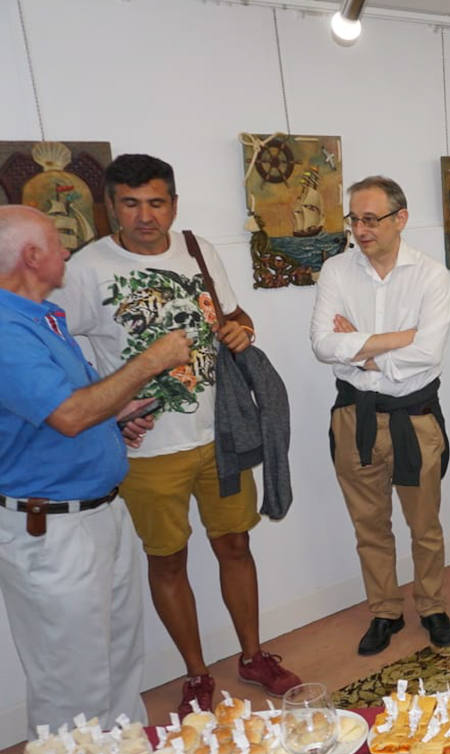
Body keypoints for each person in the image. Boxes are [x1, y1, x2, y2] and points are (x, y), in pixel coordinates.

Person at [57, 154, 300, 715]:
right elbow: (61, 356)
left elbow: (235, 317)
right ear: (111, 206)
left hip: (220, 436)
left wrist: (240, 331)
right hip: (148, 452)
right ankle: (195, 674)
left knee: (235, 545)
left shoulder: (198, 250)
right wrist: (111, 408)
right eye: (131, 203)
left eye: (157, 202)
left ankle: (253, 655)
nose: (145, 216)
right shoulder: (85, 268)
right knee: (167, 558)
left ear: (173, 203)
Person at [0, 205, 191, 732]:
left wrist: (115, 419)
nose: (68, 251)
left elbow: (75, 407)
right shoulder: (5, 331)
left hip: (99, 512)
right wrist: (151, 361)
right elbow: (69, 415)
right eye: (59, 243)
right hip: (53, 530)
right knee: (73, 685)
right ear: (32, 257)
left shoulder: (44, 317)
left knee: (120, 664)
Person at [310, 176, 450, 657]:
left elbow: (429, 352)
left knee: (425, 525)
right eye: (354, 218)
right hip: (356, 417)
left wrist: (360, 348)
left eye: (370, 218)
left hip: (414, 418)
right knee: (369, 526)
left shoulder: (430, 274)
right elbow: (322, 344)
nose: (360, 228)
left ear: (401, 219)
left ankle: (432, 605)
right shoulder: (336, 270)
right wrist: (396, 339)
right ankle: (385, 612)